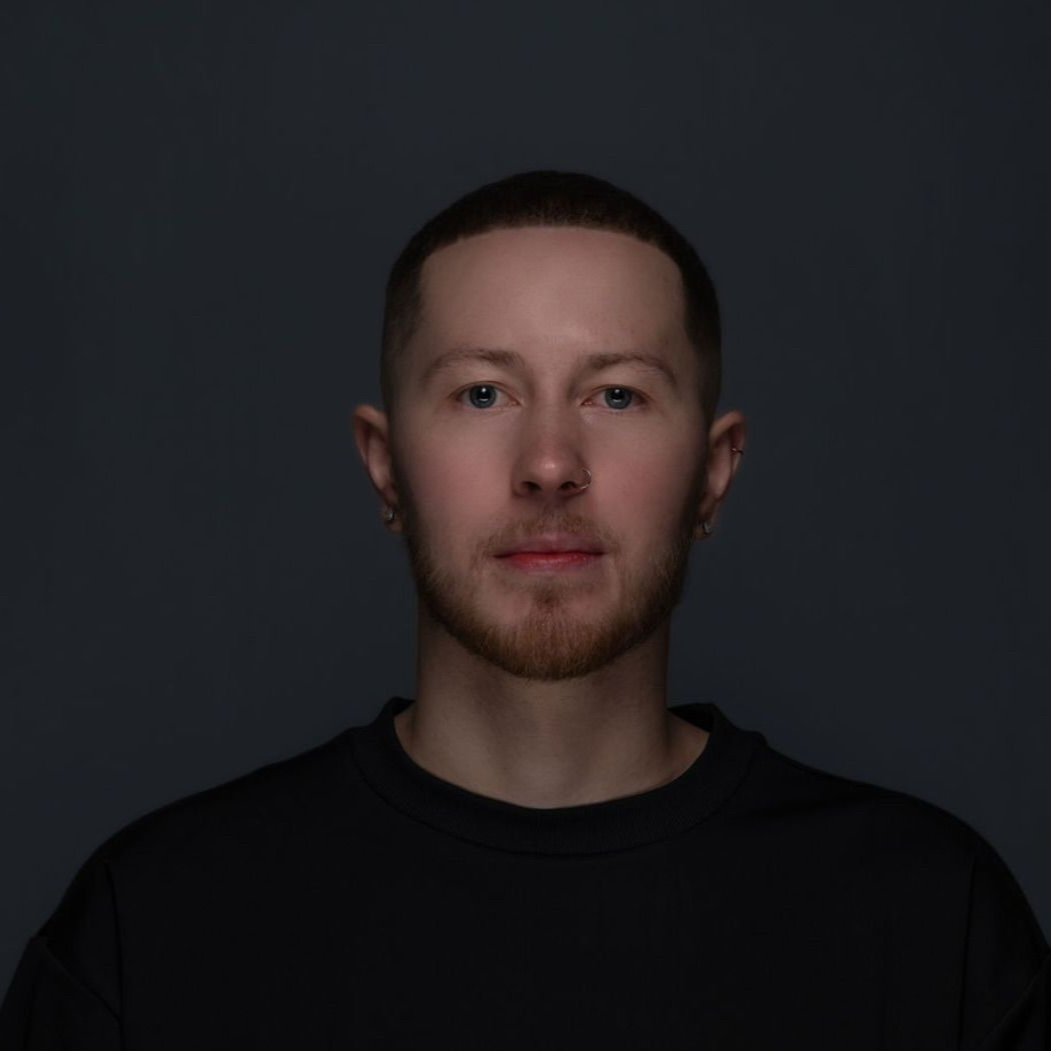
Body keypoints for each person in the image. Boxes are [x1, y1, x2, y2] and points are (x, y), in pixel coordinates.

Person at [1, 170, 1047, 1049]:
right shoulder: (157, 926)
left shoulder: (928, 922)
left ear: (714, 474)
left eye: (618, 395)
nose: (549, 463)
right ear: (386, 469)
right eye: (483, 394)